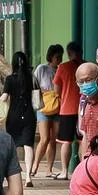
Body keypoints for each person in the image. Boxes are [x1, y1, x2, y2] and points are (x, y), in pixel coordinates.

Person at [0, 51, 37, 187]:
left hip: (13, 115)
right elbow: (37, 98)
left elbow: (4, 98)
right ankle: (28, 177)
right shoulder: (31, 78)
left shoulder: (10, 79)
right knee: (28, 145)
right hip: (29, 115)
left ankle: (14, 176)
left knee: (13, 146)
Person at [30, 44, 64, 179]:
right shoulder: (41, 68)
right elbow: (34, 85)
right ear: (51, 56)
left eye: (60, 56)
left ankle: (49, 169)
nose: (59, 59)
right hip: (43, 105)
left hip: (57, 105)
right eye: (57, 57)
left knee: (53, 139)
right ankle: (35, 166)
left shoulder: (60, 70)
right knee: (44, 138)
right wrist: (35, 104)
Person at [52, 41, 85, 180]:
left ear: (68, 52)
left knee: (66, 141)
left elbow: (56, 90)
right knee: (83, 140)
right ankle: (83, 171)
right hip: (84, 108)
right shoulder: (87, 66)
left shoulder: (63, 67)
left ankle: (64, 171)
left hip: (67, 109)